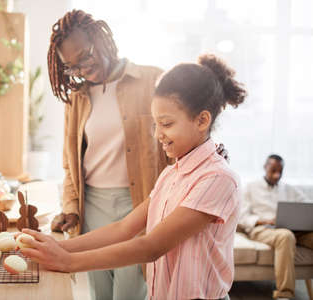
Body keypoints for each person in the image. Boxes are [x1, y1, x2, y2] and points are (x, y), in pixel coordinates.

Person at [23, 53, 246, 300]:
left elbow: (152, 247)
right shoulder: (171, 174)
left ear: (202, 120)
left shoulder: (218, 179)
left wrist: (69, 262)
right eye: (155, 125)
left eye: (167, 123)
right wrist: (56, 246)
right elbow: (123, 228)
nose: (158, 134)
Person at [240, 154, 313, 299]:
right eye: (273, 170)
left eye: (280, 171)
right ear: (265, 167)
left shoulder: (288, 189)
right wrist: (266, 220)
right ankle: (284, 294)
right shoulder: (250, 187)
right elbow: (242, 217)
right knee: (285, 236)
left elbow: (307, 206)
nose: (276, 175)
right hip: (263, 229)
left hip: (293, 230)